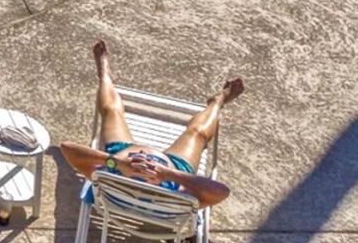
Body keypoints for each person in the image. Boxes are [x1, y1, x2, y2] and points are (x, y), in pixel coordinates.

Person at [58, 39, 238, 209]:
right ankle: (218, 101)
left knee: (112, 111)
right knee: (197, 133)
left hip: (122, 154)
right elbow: (221, 192)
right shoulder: (174, 199)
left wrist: (117, 163)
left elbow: (67, 148)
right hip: (175, 165)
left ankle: (105, 75)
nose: (146, 158)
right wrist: (166, 173)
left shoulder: (108, 182)